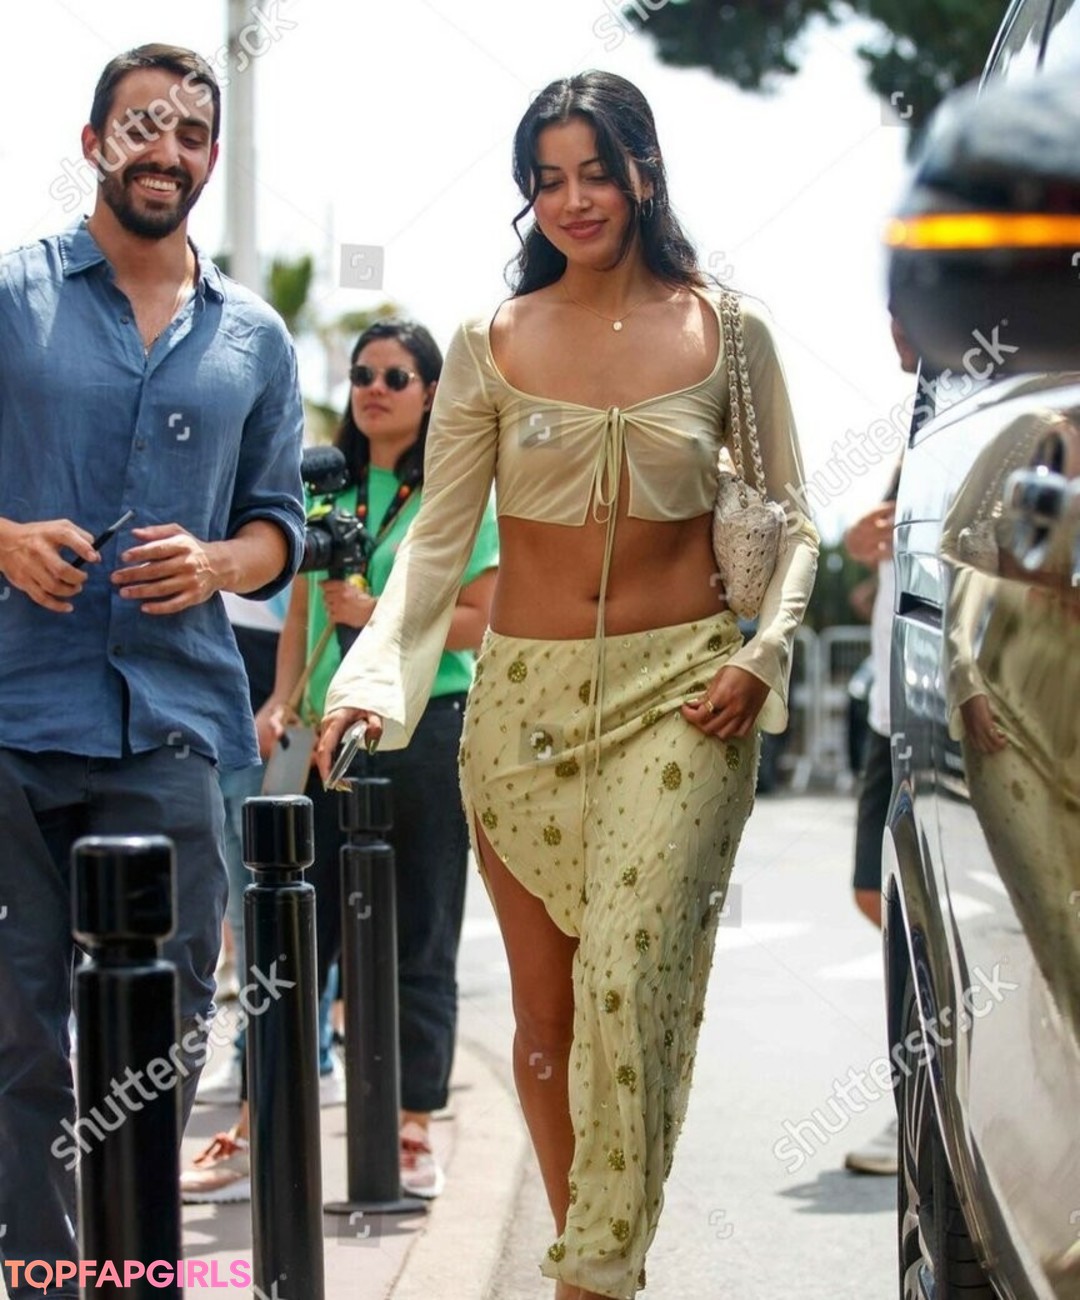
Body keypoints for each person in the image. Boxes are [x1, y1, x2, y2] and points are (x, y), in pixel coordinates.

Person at [316, 72, 818, 1300]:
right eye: (547, 180)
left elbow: (792, 517)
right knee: (546, 1022)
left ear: (645, 170)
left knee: (628, 977)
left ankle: (590, 1276)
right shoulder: (490, 342)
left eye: (596, 171)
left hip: (687, 691)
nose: (574, 199)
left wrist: (764, 651)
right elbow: (438, 540)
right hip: (521, 712)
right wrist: (370, 682)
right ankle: (593, 1261)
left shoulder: (728, 331)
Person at [0, 44, 304, 1293]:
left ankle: (126, 1259)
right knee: (19, 1027)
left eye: (187, 134)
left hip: (175, 715)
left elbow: (278, 523)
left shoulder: (255, 337)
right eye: (141, 127)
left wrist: (221, 563)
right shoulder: (11, 296)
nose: (163, 151)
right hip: (14, 711)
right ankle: (43, 1271)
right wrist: (4, 539)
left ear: (209, 159)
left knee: (169, 1024)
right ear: (94, 143)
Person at [180, 319, 499, 1204]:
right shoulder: (325, 488)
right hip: (323, 735)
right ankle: (257, 1127)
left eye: (397, 376)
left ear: (431, 392)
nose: (375, 390)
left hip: (424, 727)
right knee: (290, 937)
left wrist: (378, 613)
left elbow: (482, 620)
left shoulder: (455, 493)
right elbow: (299, 613)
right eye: (362, 374)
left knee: (419, 931)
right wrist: (279, 701)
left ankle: (411, 1126)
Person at [841, 314, 917, 1177]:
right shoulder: (923, 417)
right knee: (878, 894)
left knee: (923, 923)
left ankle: (922, 1117)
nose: (895, 323)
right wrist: (868, 545)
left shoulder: (982, 402)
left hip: (941, 712)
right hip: (887, 711)